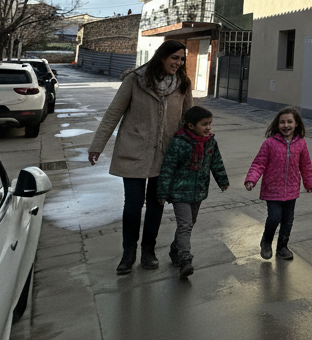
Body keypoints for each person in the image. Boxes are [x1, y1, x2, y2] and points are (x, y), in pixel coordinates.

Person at [88, 40, 193, 275]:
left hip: (166, 154)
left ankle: (148, 251)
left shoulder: (183, 84)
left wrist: (196, 147)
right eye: (174, 58)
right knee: (133, 206)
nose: (178, 63)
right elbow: (113, 113)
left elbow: (189, 119)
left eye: (181, 59)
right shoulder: (135, 80)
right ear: (162, 56)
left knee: (156, 205)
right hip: (134, 151)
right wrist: (97, 145)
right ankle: (128, 253)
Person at [156, 105, 229, 279]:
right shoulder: (179, 142)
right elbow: (168, 168)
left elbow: (216, 162)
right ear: (191, 126)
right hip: (180, 193)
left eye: (210, 124)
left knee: (190, 222)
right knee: (185, 225)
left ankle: (175, 250)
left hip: (198, 192)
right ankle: (185, 260)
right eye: (204, 124)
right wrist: (162, 192)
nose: (208, 128)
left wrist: (222, 181)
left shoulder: (210, 142)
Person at [245, 106, 312, 261]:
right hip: (273, 189)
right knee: (274, 217)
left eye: (289, 122)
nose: (286, 125)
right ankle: (266, 241)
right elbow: (259, 163)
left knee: (288, 220)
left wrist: (308, 183)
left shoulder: (301, 144)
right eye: (282, 122)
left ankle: (282, 247)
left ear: (296, 123)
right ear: (277, 124)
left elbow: (306, 165)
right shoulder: (270, 143)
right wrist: (252, 179)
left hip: (291, 189)